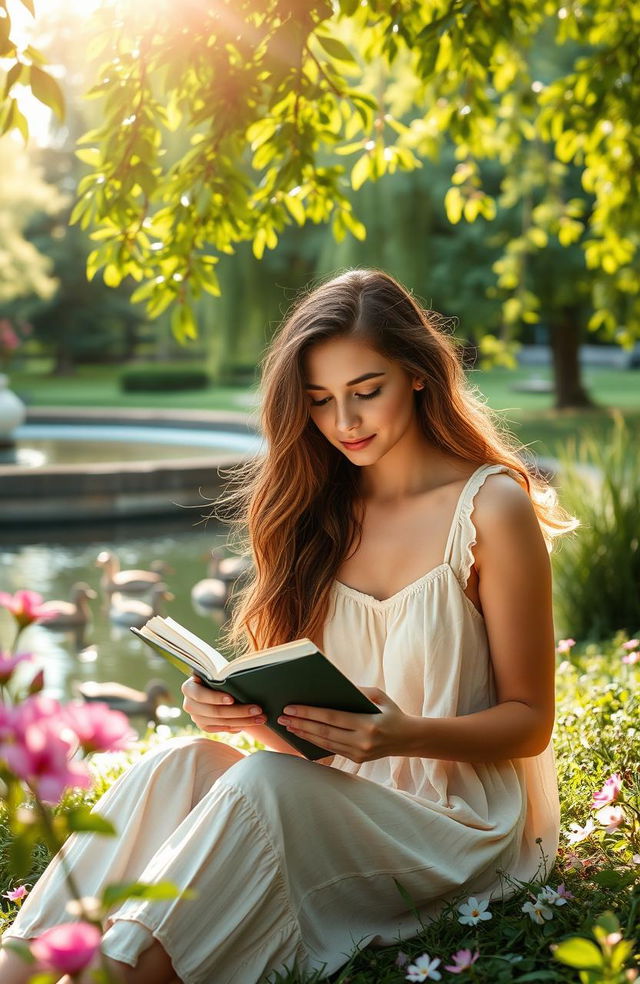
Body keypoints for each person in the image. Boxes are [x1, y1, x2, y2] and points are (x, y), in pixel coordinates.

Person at [0, 269, 577, 984]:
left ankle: (113, 974)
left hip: (457, 828)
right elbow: (308, 745)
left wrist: (402, 734)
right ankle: (19, 963)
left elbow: (530, 722)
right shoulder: (314, 514)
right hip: (336, 800)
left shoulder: (491, 508)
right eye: (320, 401)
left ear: (420, 374)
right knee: (178, 764)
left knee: (264, 786)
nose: (346, 423)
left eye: (367, 391)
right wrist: (236, 711)